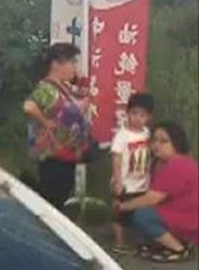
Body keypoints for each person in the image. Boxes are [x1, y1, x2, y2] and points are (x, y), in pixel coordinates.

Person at [22, 43, 94, 210]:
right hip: (53, 156)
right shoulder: (47, 88)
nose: (74, 68)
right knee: (52, 202)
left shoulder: (64, 88)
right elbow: (29, 106)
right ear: (56, 64)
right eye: (71, 63)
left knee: (58, 198)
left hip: (66, 154)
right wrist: (45, 122)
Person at [115, 121, 198, 263]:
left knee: (143, 216)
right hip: (181, 213)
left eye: (164, 141)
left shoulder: (177, 165)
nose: (156, 145)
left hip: (190, 218)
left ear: (177, 143)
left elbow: (152, 198)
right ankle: (173, 243)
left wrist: (122, 206)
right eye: (154, 140)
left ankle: (178, 249)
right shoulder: (172, 163)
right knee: (145, 219)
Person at [110, 93, 154, 253]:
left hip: (143, 183)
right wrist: (118, 181)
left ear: (148, 117)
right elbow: (116, 158)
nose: (137, 118)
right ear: (127, 113)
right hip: (125, 183)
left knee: (140, 212)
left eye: (142, 115)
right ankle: (118, 243)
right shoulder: (122, 135)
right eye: (134, 113)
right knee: (119, 213)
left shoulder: (148, 134)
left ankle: (141, 243)